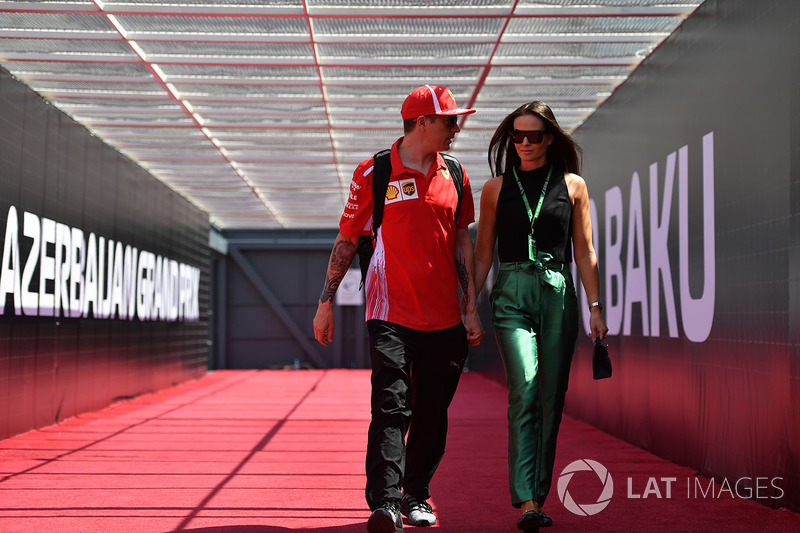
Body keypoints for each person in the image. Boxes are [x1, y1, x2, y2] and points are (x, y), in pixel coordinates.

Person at [313, 84, 484, 533]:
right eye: (450, 120)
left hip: (446, 317)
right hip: (389, 313)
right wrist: (325, 303)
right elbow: (348, 239)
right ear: (422, 122)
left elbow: (462, 241)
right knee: (391, 406)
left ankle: (417, 494)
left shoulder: (459, 173)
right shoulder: (375, 170)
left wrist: (470, 309)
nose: (457, 126)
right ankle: (386, 502)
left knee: (432, 411)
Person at [473, 101, 608, 533]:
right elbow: (482, 253)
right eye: (517, 136)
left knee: (551, 397)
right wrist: (467, 305)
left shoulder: (573, 185)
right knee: (525, 389)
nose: (525, 143)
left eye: (534, 135)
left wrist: (595, 306)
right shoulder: (495, 188)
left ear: (549, 138)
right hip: (510, 292)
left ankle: (538, 495)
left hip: (558, 293)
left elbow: (585, 250)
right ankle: (527, 501)